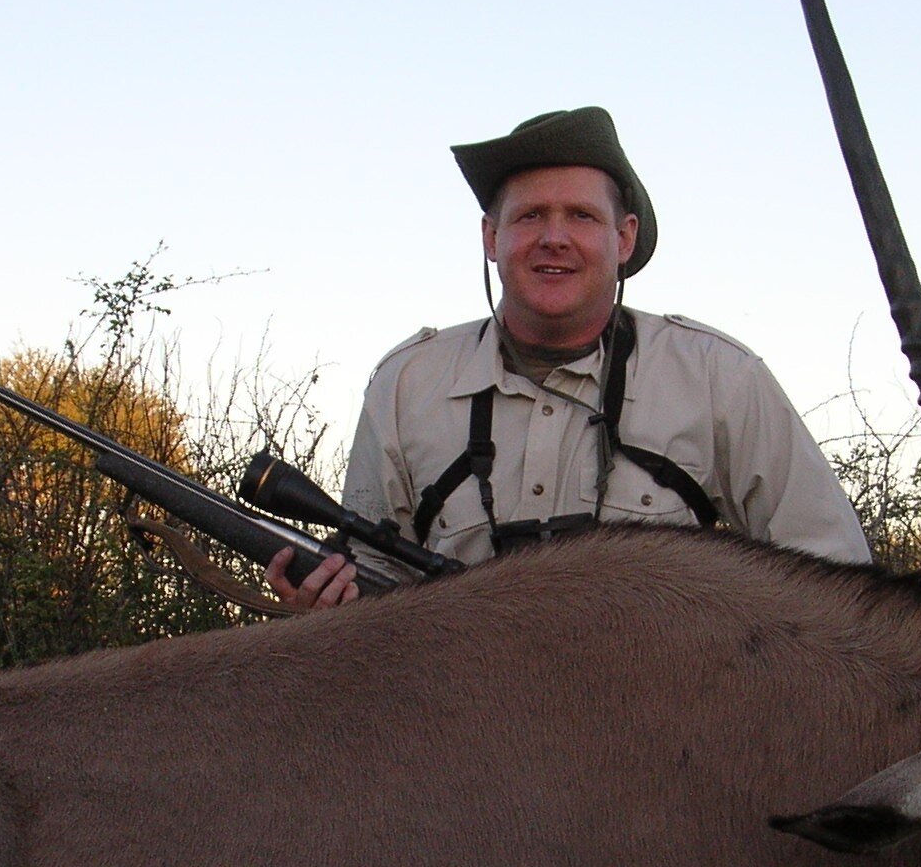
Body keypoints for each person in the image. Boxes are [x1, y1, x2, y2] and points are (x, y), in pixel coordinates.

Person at [266, 106, 870, 608]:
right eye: (530, 216)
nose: (554, 238)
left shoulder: (720, 377)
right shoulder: (406, 382)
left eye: (581, 216)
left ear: (624, 238)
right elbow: (371, 574)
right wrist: (326, 611)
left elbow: (839, 582)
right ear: (491, 238)